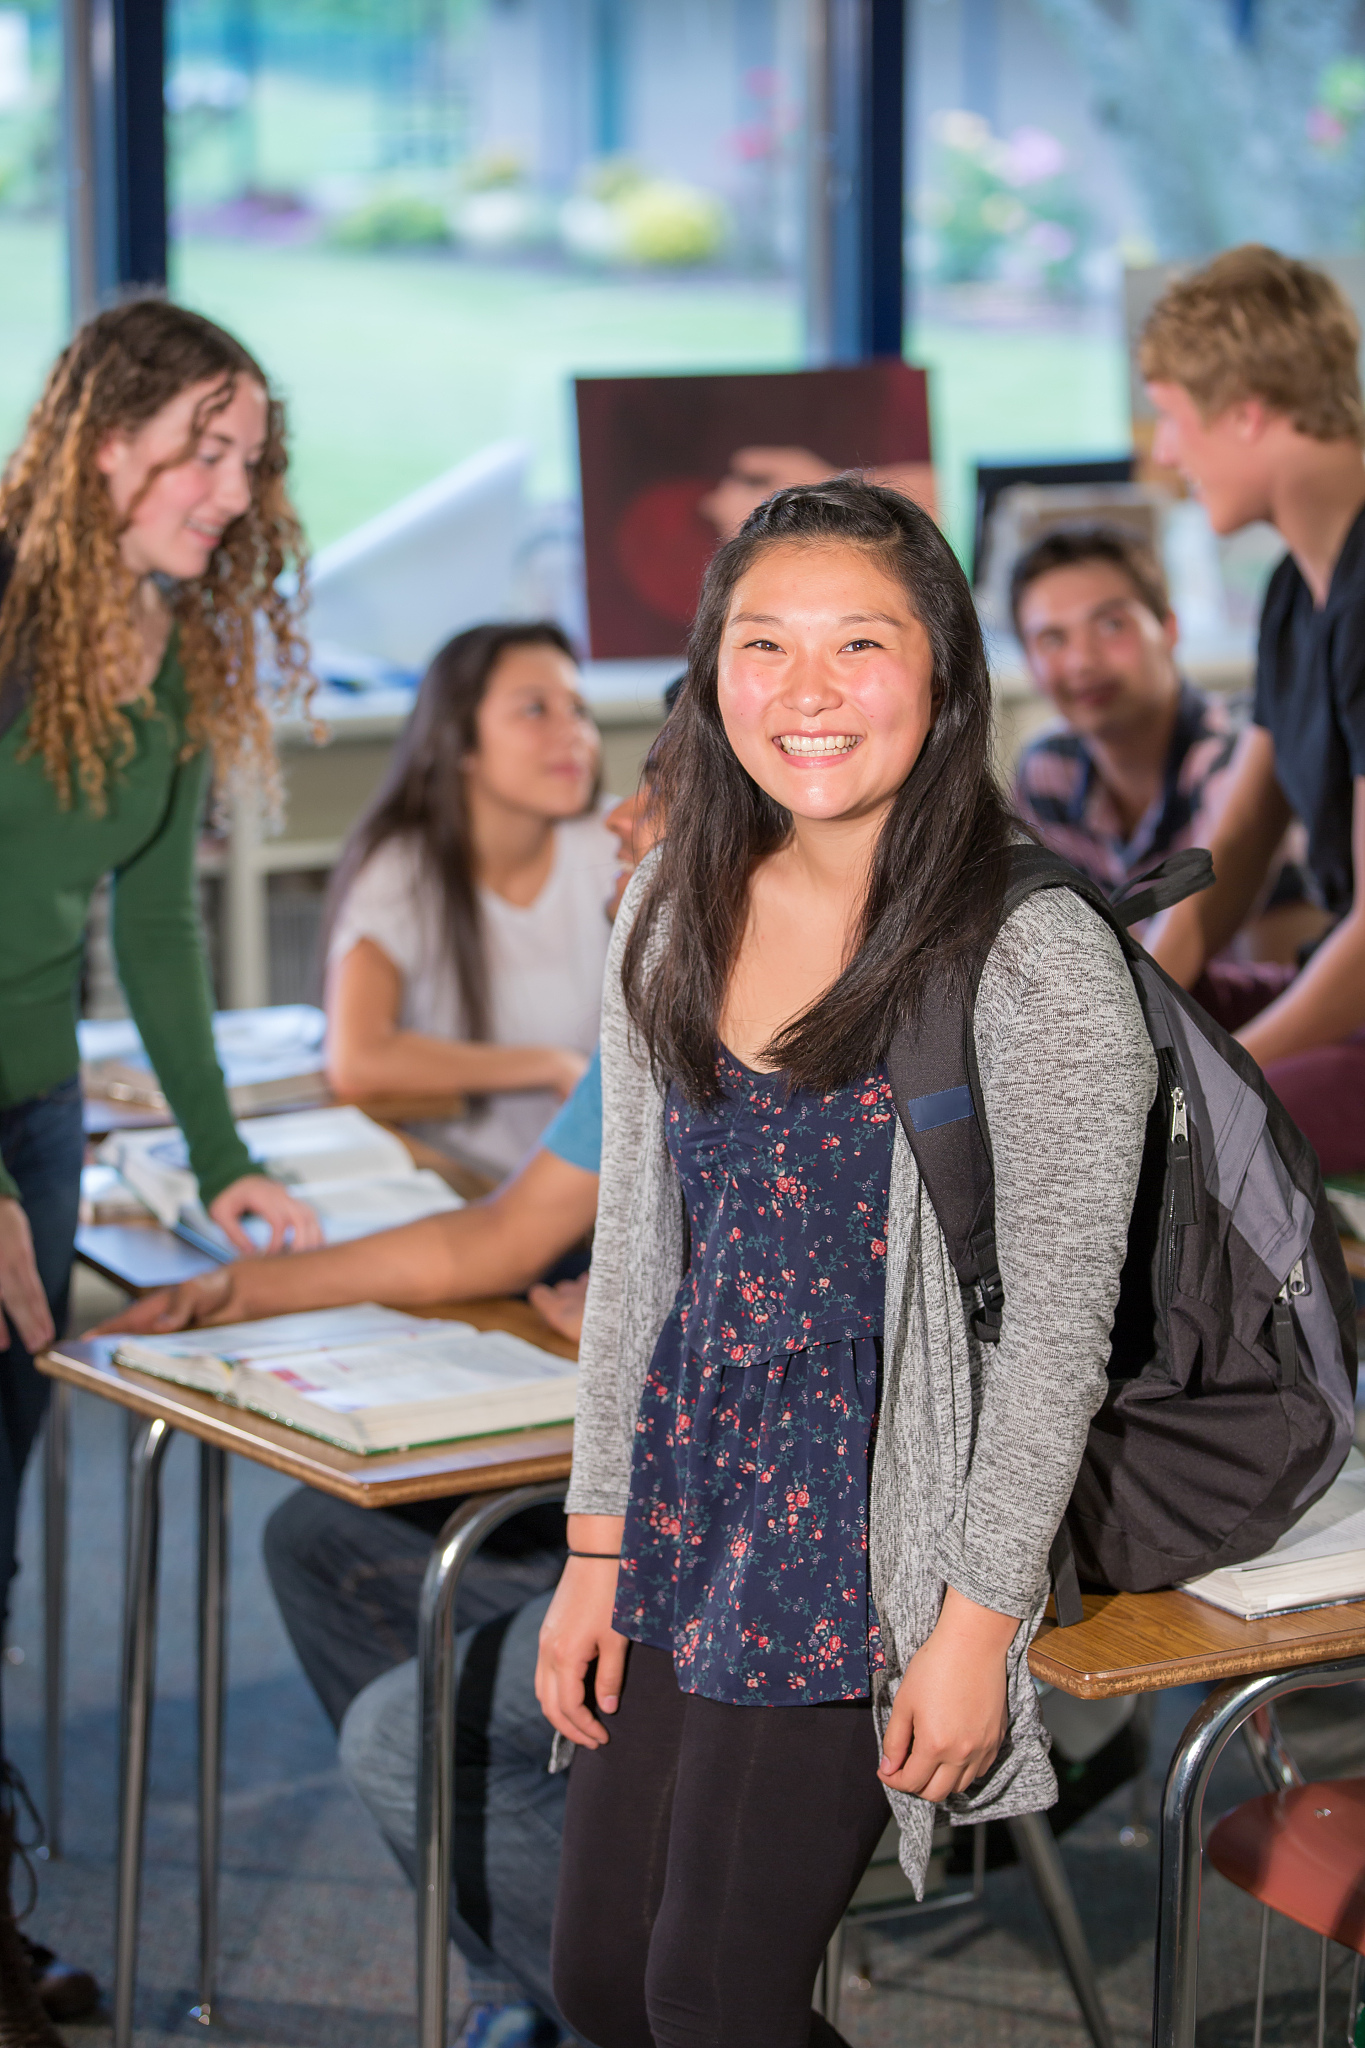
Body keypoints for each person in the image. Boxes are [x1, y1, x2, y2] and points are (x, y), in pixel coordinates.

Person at [535, 475, 1155, 2048]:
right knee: (609, 1990)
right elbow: (637, 1248)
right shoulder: (669, 907)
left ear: (942, 675)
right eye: (763, 646)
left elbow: (1057, 1343)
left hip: (870, 1533)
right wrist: (594, 1547)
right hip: (689, 1493)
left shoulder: (1031, 955)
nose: (804, 695)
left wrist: (969, 1628)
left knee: (714, 2002)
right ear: (709, 671)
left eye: (858, 646)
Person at [0, 299, 323, 2035]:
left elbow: (162, 929)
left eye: (249, 454)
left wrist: (221, 1156)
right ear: (99, 438)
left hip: (37, 1111)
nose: (231, 486)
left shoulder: (169, 646)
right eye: (203, 446)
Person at [1141, 245, 1365, 1173]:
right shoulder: (1292, 591)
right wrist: (1133, 996)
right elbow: (1229, 852)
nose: (1162, 452)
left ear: (1246, 411)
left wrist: (1214, 1080)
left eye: (1170, 418)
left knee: (1171, 1151)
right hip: (1342, 995)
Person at [323, 622, 617, 1181]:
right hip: (468, 1190)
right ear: (461, 742)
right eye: (535, 710)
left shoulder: (617, 840)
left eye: (578, 709)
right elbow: (356, 1060)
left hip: (600, 1205)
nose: (573, 733)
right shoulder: (404, 867)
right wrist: (549, 1067)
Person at [1010, 522, 1321, 953]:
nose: (1082, 662)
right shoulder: (1047, 771)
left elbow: (1279, 956)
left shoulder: (1236, 757)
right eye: (1052, 639)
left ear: (1169, 628)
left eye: (1112, 625)